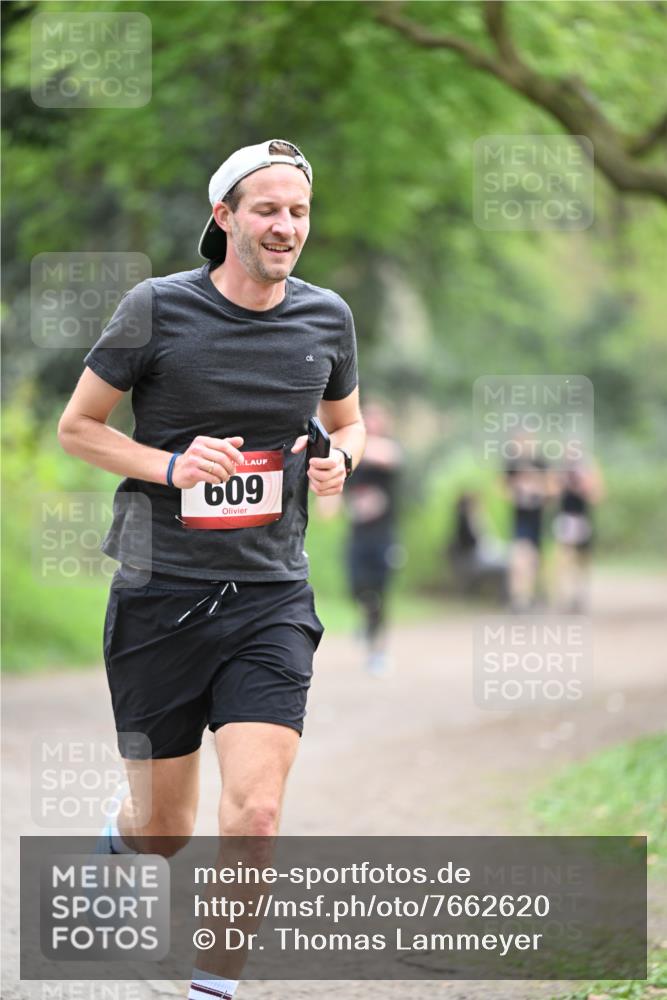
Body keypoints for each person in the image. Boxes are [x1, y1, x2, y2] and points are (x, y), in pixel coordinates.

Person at [57, 139, 365, 998]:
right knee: (165, 831)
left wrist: (340, 459)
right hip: (160, 594)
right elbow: (78, 428)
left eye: (298, 211)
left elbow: (348, 422)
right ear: (224, 216)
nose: (285, 226)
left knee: (256, 815)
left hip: (271, 596)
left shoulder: (326, 317)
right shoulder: (156, 308)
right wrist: (171, 466)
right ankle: (120, 843)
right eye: (267, 209)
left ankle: (210, 990)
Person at [344, 401, 402, 675]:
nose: (372, 423)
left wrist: (352, 444)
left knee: (380, 593)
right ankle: (366, 622)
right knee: (357, 588)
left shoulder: (387, 449)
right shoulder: (355, 460)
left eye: (376, 418)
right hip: (358, 535)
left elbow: (389, 456)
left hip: (383, 536)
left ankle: (378, 651)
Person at [503, 439, 557, 611]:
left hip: (538, 519)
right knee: (519, 556)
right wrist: (517, 492)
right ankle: (518, 598)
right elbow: (503, 487)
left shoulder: (540, 462)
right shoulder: (512, 464)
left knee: (535, 560)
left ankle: (532, 595)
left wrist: (538, 489)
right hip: (520, 519)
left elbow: (553, 488)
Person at [552, 460, 605, 612]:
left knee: (582, 560)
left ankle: (578, 595)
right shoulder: (560, 468)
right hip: (566, 519)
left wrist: (584, 487)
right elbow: (551, 494)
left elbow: (597, 497)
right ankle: (564, 596)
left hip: (582, 519)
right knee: (564, 558)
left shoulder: (589, 467)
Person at [446, 491, 507, 600]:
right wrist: (480, 520)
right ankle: (506, 597)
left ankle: (508, 597)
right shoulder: (465, 523)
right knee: (506, 565)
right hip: (472, 562)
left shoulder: (467, 521)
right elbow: (477, 545)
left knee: (507, 560)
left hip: (476, 558)